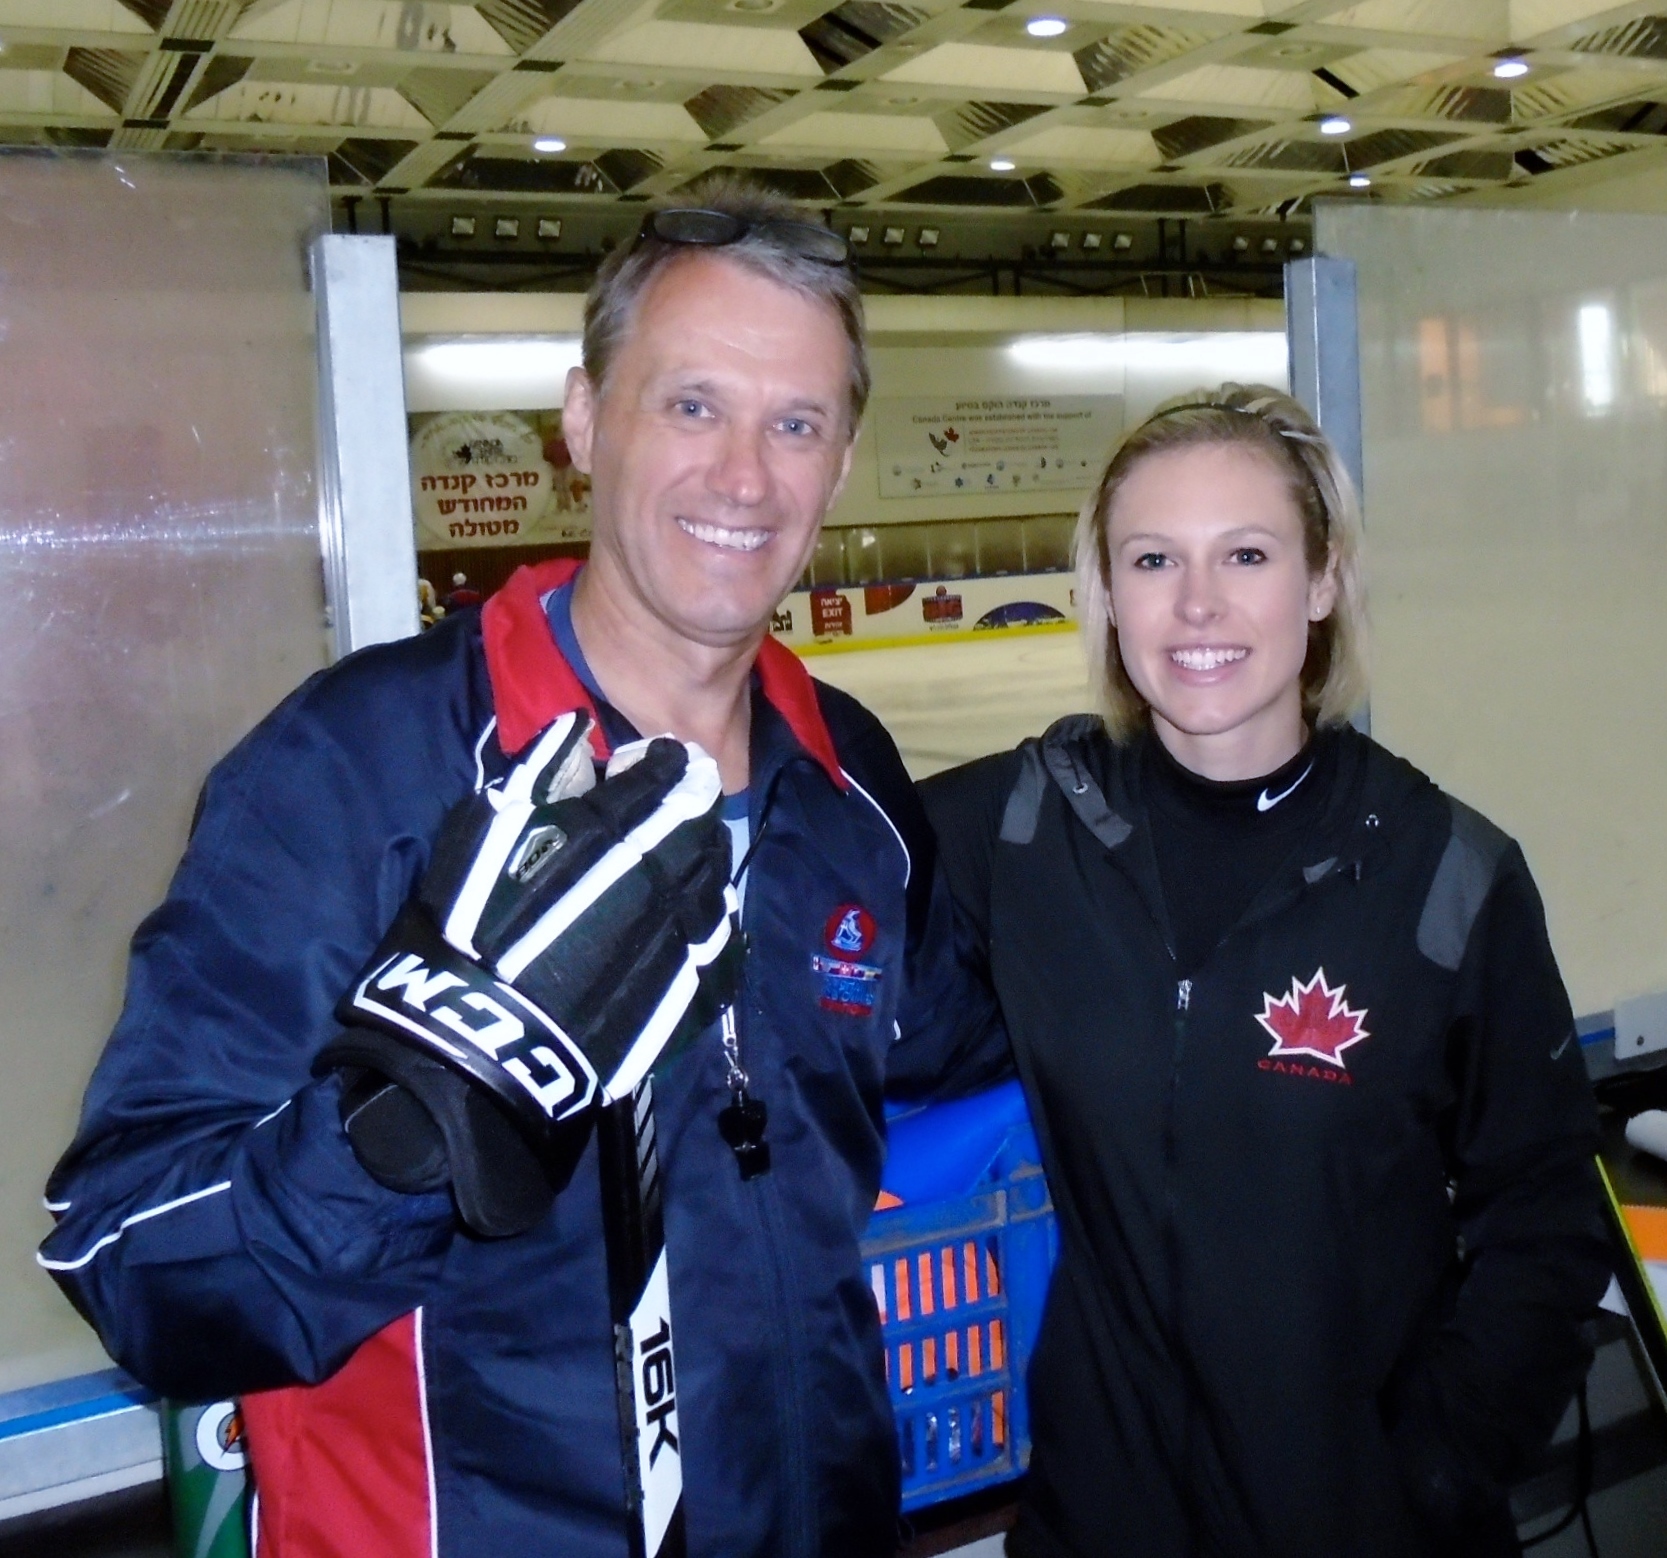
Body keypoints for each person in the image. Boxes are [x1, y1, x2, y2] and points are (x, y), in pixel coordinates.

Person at [40, 178, 1000, 1558]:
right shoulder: (362, 768)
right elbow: (128, 1259)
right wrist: (413, 1125)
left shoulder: (839, 772)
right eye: (690, 405)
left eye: (794, 423)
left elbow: (940, 1027)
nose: (743, 475)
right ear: (581, 419)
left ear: (838, 465)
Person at [922, 385, 1610, 1558]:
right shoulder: (1022, 829)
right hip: (1102, 1527)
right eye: (1151, 559)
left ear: (1322, 578)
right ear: (1104, 591)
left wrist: (1430, 1471)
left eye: (1245, 553)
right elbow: (811, 858)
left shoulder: (1444, 875)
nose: (1196, 604)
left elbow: (1545, 1218)